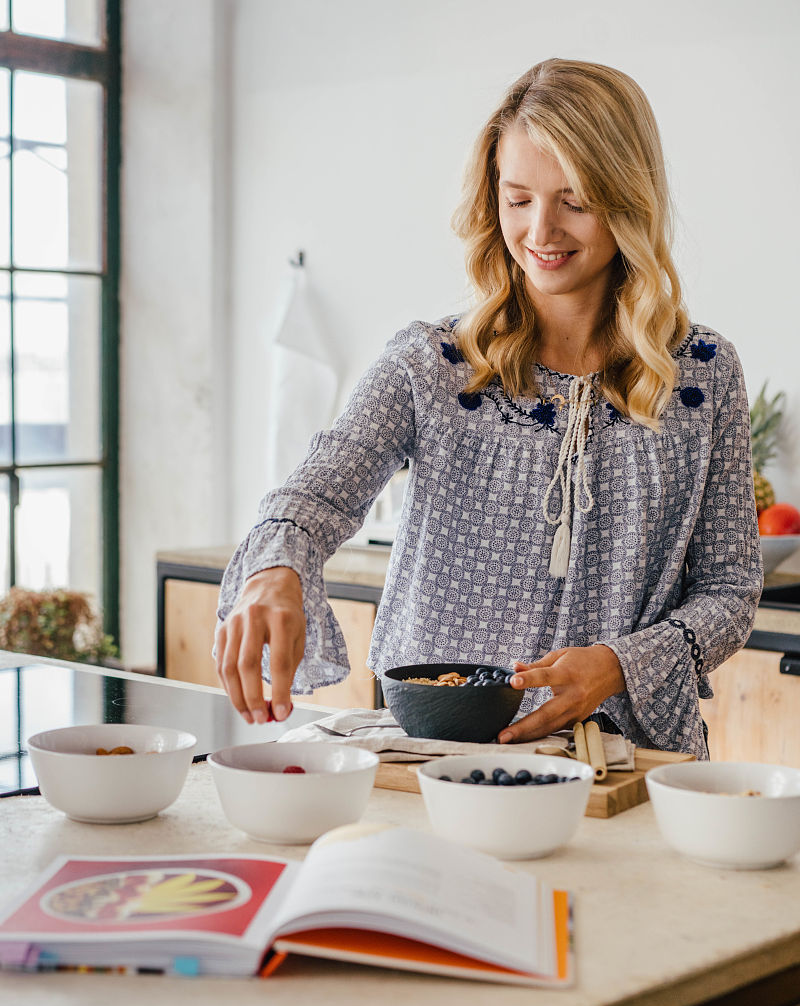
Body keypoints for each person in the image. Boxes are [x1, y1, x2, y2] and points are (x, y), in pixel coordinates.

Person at [215, 58, 762, 760]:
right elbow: (313, 495)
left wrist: (619, 664)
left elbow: (729, 590)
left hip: (625, 764)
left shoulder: (703, 374)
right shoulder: (433, 363)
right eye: (518, 198)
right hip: (441, 757)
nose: (541, 230)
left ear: (629, 199)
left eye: (575, 200)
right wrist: (274, 571)